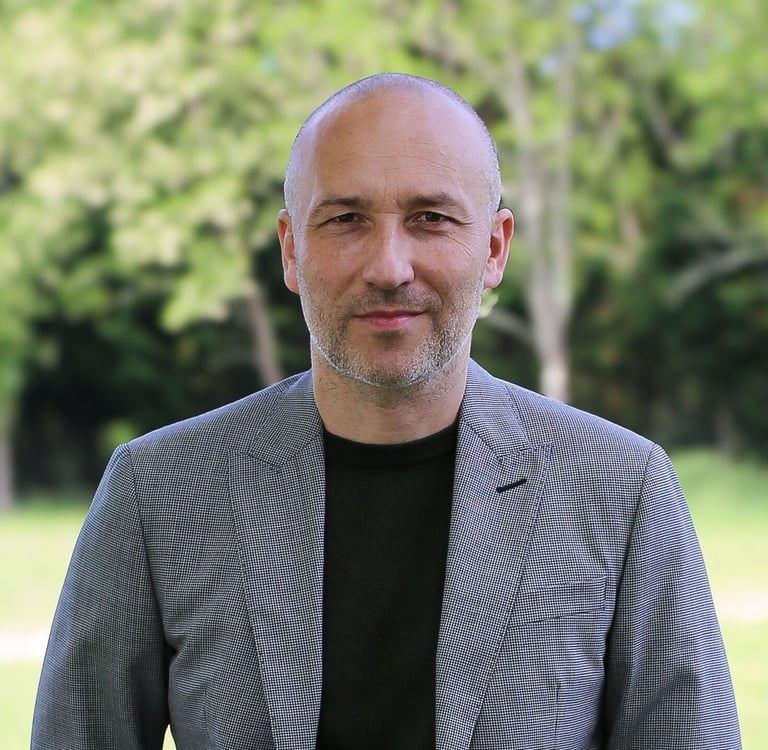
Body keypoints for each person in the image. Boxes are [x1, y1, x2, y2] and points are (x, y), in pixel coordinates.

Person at [32, 73, 741, 750]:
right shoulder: (157, 492)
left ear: (494, 248)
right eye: (346, 220)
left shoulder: (622, 488)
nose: (389, 267)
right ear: (291, 250)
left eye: (431, 218)